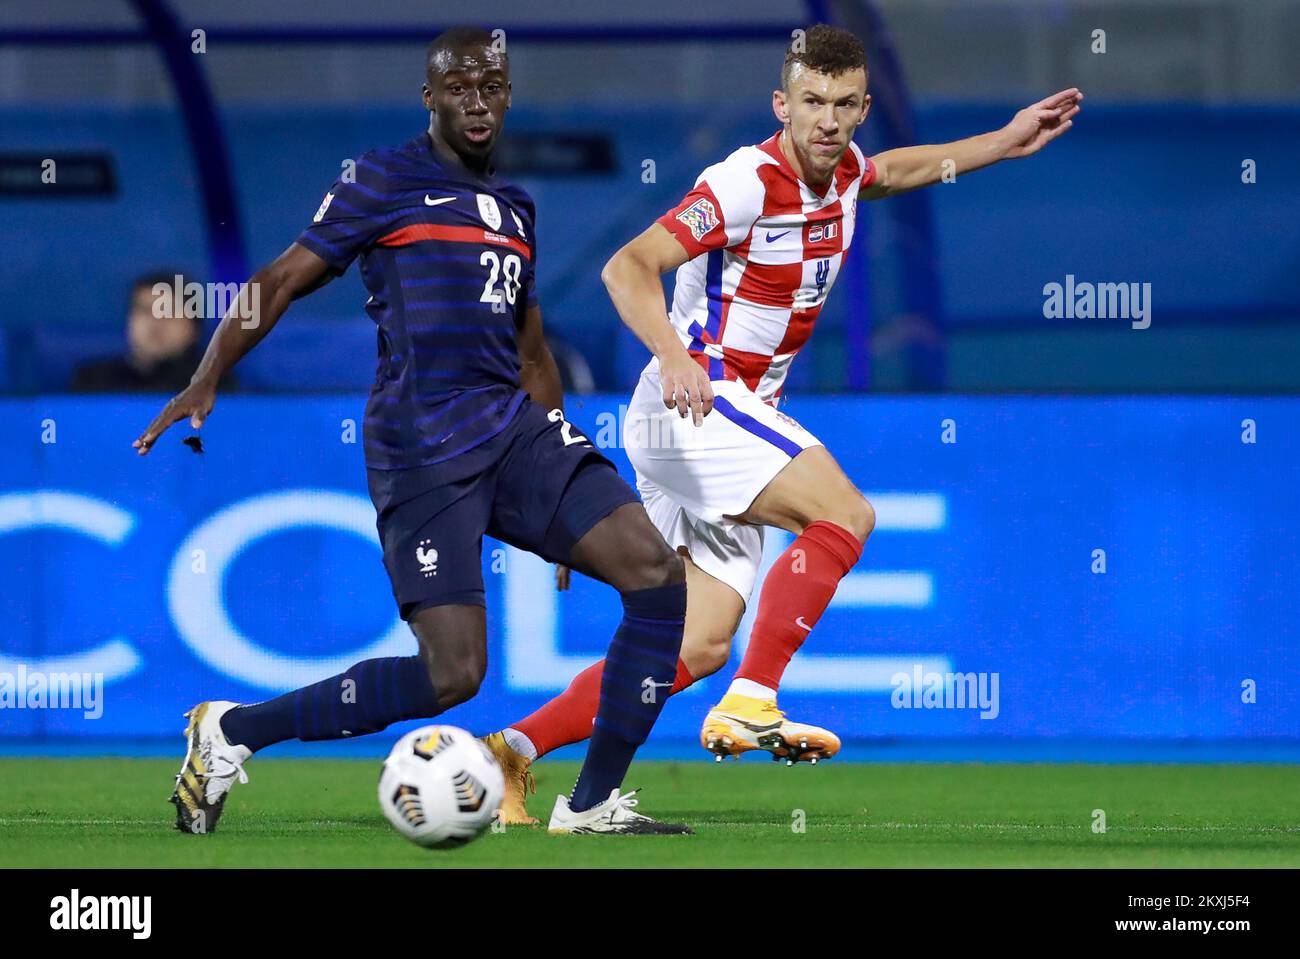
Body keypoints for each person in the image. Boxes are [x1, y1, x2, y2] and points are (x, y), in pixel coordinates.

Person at [485, 23, 1082, 824]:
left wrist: (1003, 142)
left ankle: (523, 758)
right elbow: (626, 267)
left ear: (863, 108)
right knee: (846, 512)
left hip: (718, 423)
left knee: (692, 644)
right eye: (810, 102)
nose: (826, 120)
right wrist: (672, 353)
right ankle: (756, 698)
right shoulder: (745, 182)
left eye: (842, 104)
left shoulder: (841, 176)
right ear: (782, 103)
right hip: (694, 403)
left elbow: (899, 170)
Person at [134, 27, 692, 836]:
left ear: (506, 96)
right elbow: (282, 277)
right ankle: (230, 731)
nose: (477, 100)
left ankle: (592, 800)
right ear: (429, 98)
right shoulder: (383, 179)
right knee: (453, 675)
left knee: (653, 570)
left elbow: (530, 348)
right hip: (423, 447)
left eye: (492, 85)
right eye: (458, 86)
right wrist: (208, 370)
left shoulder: (515, 207)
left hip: (517, 432)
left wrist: (568, 486)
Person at [72, 271, 230, 393]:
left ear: (194, 327)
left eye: (169, 313)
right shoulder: (93, 380)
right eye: (145, 311)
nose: (156, 324)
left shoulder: (214, 384)